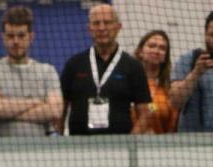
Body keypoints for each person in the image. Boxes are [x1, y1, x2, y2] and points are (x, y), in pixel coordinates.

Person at [60, 3, 150, 135]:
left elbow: (145, 114)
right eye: (96, 23)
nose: (102, 28)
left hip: (120, 147)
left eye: (107, 22)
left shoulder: (133, 66)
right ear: (89, 28)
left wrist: (130, 143)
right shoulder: (73, 64)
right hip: (79, 148)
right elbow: (61, 108)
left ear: (118, 27)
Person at [0, 6, 61, 137]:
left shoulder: (47, 71)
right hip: (0, 151)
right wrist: (36, 102)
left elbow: (55, 111)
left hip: (41, 151)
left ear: (31, 37)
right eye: (10, 36)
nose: (16, 42)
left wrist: (7, 109)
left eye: (21, 35)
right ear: (3, 37)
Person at [133, 29, 177, 133]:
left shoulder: (170, 88)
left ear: (165, 57)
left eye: (162, 48)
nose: (156, 51)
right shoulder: (128, 83)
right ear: (140, 52)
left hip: (160, 146)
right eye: (151, 46)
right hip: (127, 144)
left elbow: (173, 127)